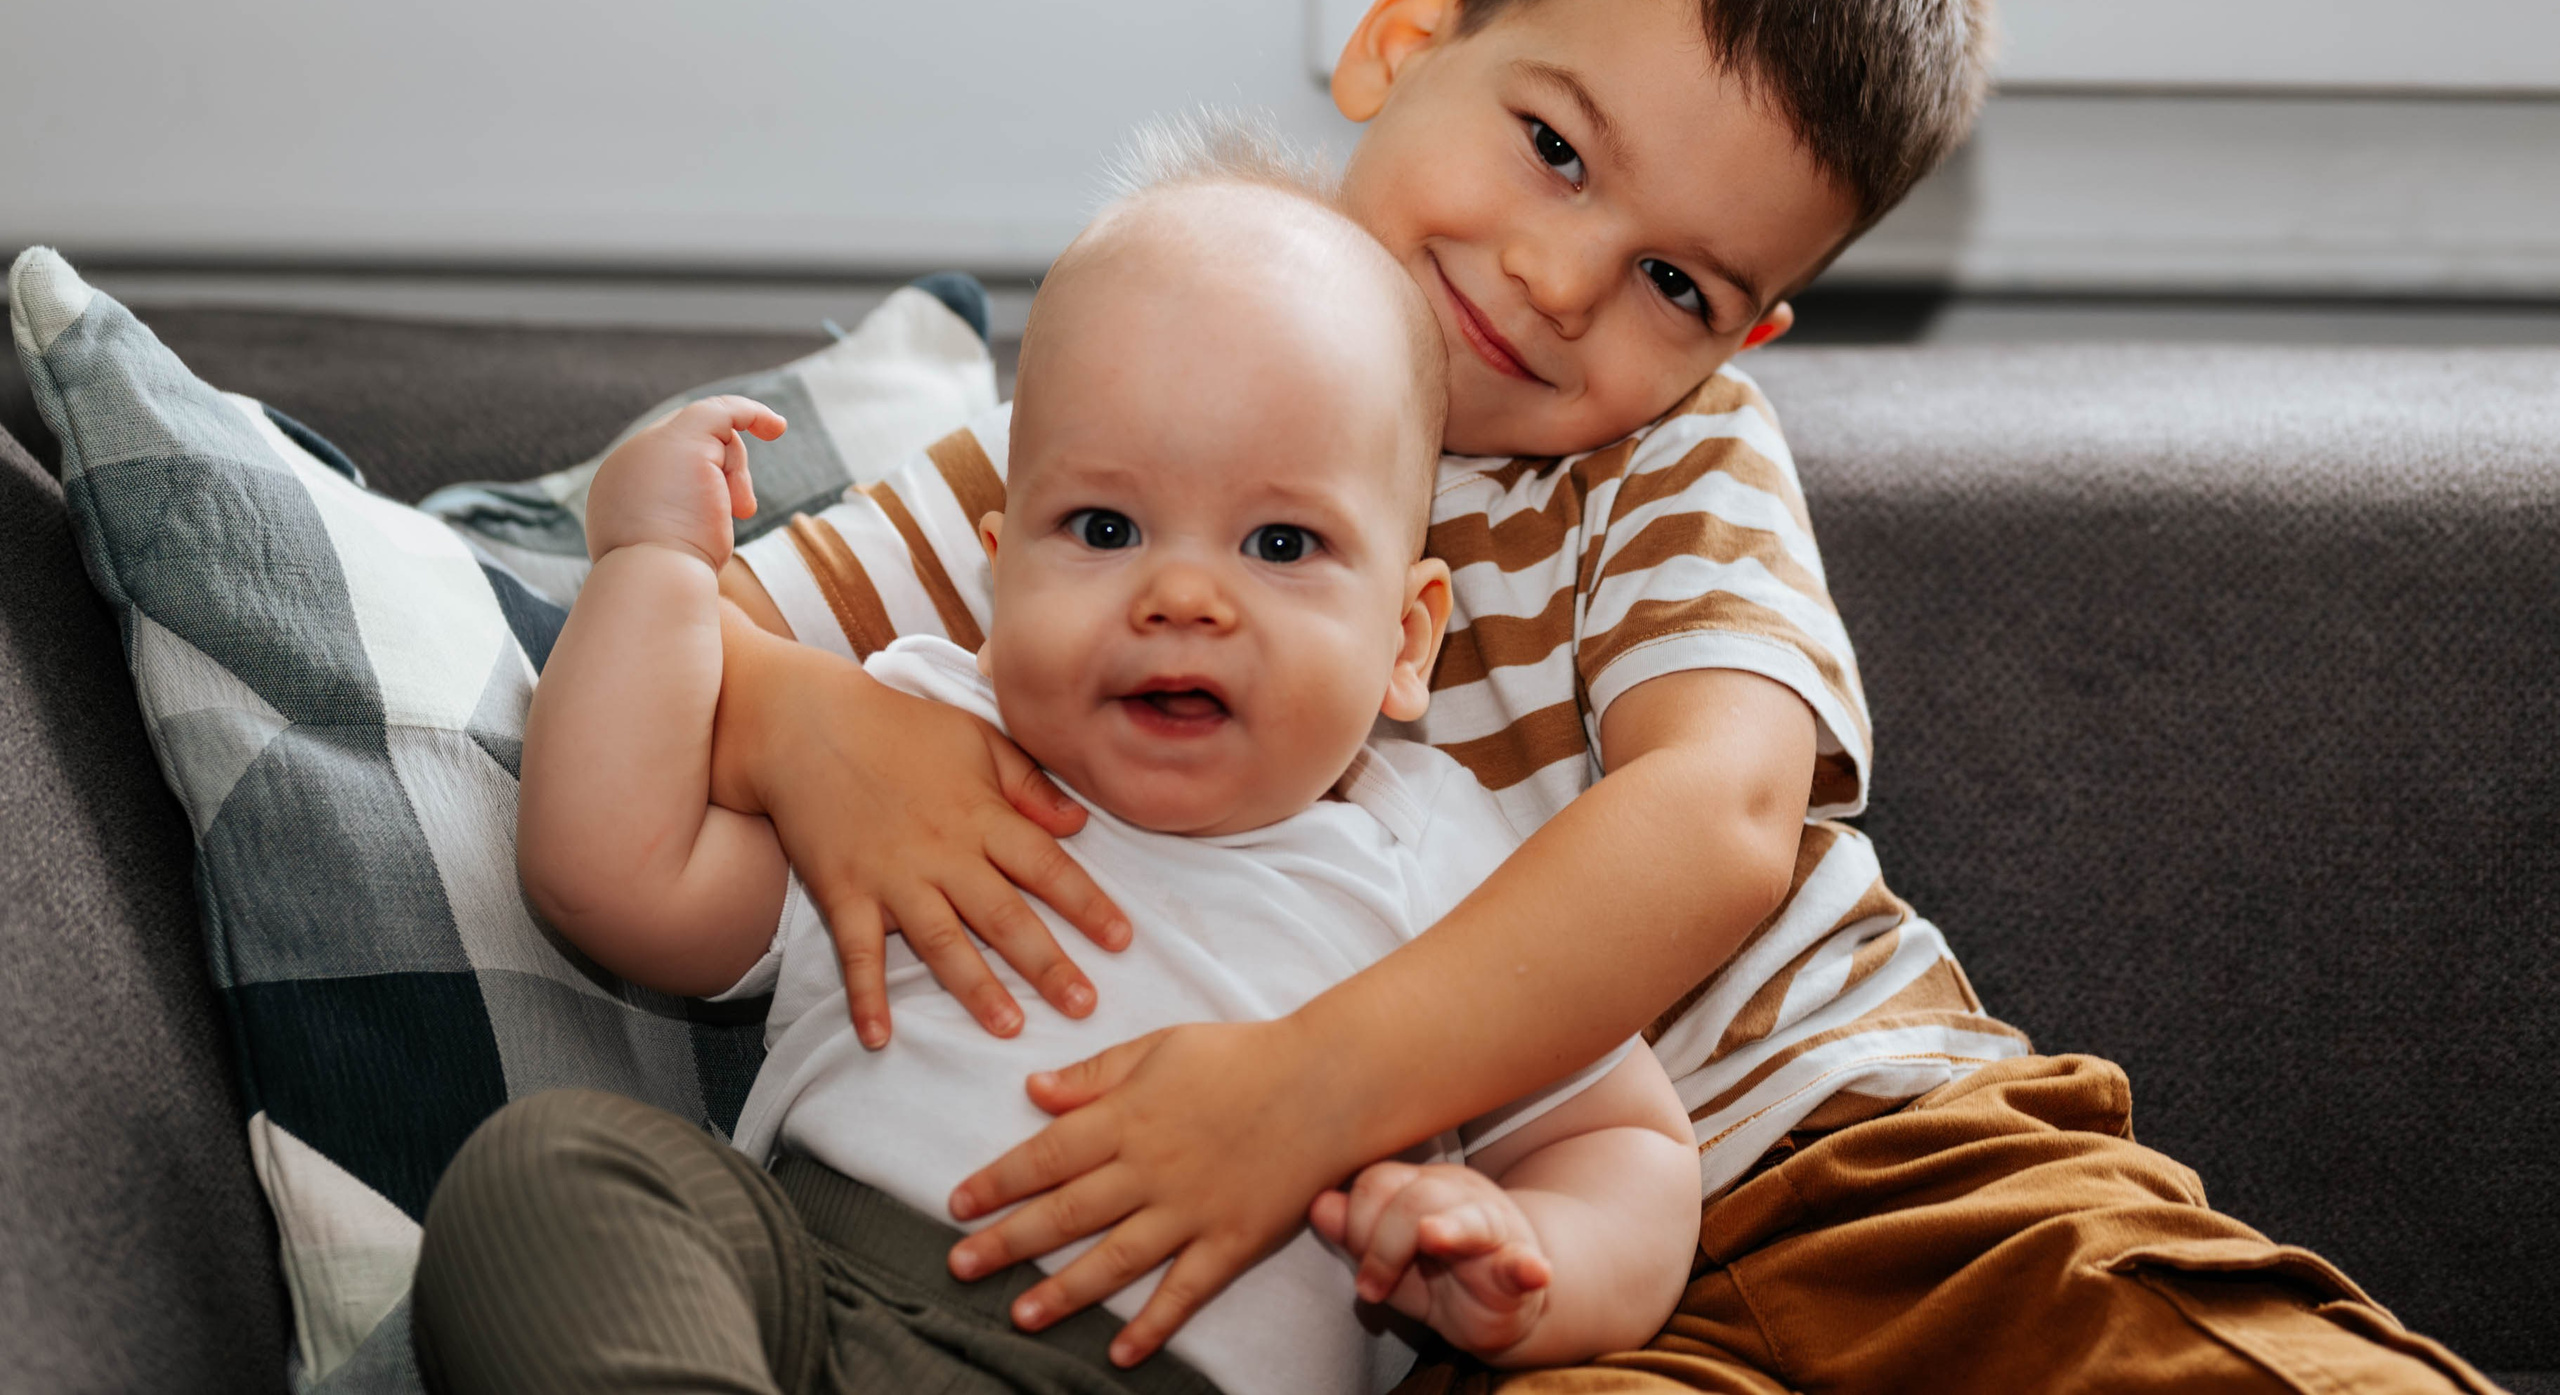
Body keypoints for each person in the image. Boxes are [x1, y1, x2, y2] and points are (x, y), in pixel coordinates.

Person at [701, 0, 2498, 1394]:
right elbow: (669, 647)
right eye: (1555, 149)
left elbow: (1720, 816)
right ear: (1405, 42)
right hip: (1492, 1290)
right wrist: (800, 722)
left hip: (1876, 1155)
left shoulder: (1664, 461)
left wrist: (1311, 1091)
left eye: (1677, 285)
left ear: (1743, 338)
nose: (1562, 283)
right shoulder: (1117, 432)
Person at [408, 173, 1705, 1395]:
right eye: (1104, 529)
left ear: (1407, 640)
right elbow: (606, 874)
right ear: (998, 575)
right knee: (549, 1173)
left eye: (1281, 541)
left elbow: (1628, 1148)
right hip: (814, 1313)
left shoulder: (1434, 858)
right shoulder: (912, 753)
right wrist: (647, 564)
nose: (1182, 595)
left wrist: (1521, 1254)